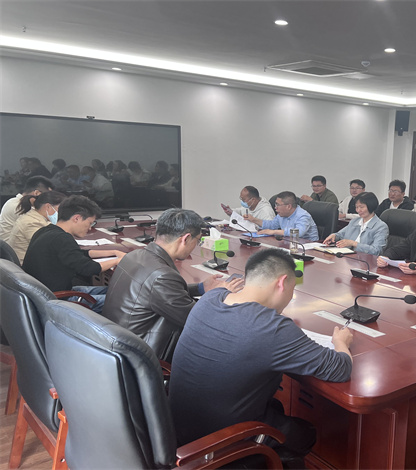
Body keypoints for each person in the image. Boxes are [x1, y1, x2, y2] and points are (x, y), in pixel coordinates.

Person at [169, 249, 353, 459]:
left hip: (176, 427)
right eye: (292, 289)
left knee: (275, 407)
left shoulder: (210, 298)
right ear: (282, 283)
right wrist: (341, 342)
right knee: (304, 433)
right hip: (218, 441)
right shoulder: (271, 327)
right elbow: (340, 368)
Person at [102, 208, 244, 361]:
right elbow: (197, 319)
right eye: (197, 241)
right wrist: (220, 293)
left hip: (116, 342)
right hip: (140, 356)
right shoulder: (162, 276)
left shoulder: (134, 255)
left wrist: (202, 288)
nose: (195, 246)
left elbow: (159, 293)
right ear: (186, 239)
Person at [22, 195, 126, 312]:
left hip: (47, 293)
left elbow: (78, 254)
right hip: (57, 300)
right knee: (126, 300)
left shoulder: (47, 231)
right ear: (77, 218)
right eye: (90, 223)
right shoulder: (62, 239)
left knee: (116, 291)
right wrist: (118, 261)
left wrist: (113, 252)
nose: (90, 228)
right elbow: (89, 269)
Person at [8, 190, 66, 264]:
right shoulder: (32, 223)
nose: (62, 213)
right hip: (26, 266)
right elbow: (49, 247)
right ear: (48, 207)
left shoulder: (34, 217)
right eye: (60, 209)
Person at [323, 192, 389, 255]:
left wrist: (354, 243)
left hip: (366, 260)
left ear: (371, 206)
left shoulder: (380, 227)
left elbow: (377, 251)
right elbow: (341, 234)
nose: (358, 210)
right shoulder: (354, 221)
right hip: (348, 257)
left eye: (361, 207)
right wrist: (334, 236)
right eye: (356, 207)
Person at [247, 191, 319, 240]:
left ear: (288, 206)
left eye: (278, 205)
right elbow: (272, 225)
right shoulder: (281, 215)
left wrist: (274, 232)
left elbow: (298, 232)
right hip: (290, 244)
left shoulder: (303, 215)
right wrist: (254, 220)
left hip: (308, 248)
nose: (275, 207)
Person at [0, 175, 53, 242]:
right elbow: (43, 225)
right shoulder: (18, 206)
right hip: (13, 247)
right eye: (47, 195)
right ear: (37, 193)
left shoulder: (13, 201)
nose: (49, 200)